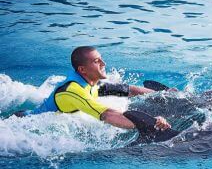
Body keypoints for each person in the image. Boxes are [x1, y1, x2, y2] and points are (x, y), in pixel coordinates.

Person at [15, 46, 171, 131]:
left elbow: (130, 90)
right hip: (23, 124)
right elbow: (107, 115)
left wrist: (166, 95)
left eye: (102, 59)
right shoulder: (73, 92)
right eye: (97, 61)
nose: (104, 64)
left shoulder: (91, 83)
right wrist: (150, 124)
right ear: (83, 70)